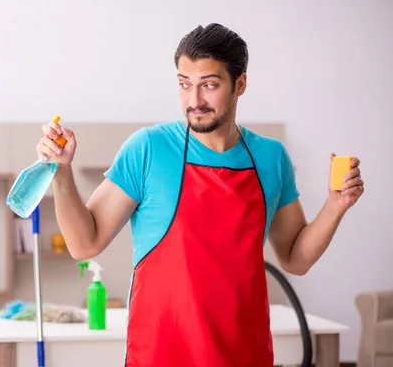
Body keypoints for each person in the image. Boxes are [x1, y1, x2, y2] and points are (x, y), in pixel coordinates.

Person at [36, 23, 364, 366]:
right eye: (184, 84)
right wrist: (61, 172)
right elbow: (84, 244)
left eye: (209, 85)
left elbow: (295, 259)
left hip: (245, 354)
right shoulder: (149, 148)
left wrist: (336, 205)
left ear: (240, 84)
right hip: (160, 355)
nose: (194, 101)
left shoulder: (270, 157)